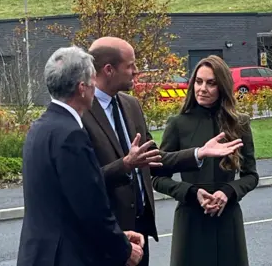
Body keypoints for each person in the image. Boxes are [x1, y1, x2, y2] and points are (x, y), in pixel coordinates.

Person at [82, 37, 244, 266]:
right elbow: (81, 181)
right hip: (105, 230)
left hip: (140, 231)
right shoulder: (80, 112)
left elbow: (156, 159)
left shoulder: (131, 105)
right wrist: (126, 164)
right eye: (130, 65)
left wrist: (199, 153)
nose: (136, 71)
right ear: (109, 70)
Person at [16, 46, 145, 266]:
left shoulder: (40, 127)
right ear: (82, 88)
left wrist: (119, 235)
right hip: (67, 256)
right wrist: (123, 249)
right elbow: (90, 207)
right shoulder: (71, 135)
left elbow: (62, 205)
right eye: (93, 81)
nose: (96, 86)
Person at [151, 55, 259, 266]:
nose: (202, 88)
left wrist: (228, 191)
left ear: (223, 87)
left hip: (227, 219)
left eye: (211, 83)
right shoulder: (178, 124)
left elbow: (251, 176)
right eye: (198, 82)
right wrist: (191, 192)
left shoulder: (240, 123)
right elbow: (157, 177)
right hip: (190, 219)